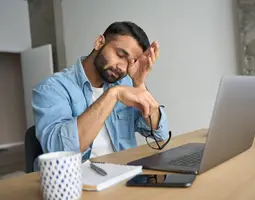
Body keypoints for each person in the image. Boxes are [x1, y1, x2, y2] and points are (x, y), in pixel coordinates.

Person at [32, 21, 169, 170]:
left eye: (131, 62)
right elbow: (59, 151)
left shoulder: (124, 85)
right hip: (74, 183)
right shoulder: (52, 88)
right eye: (120, 55)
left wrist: (139, 84)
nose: (122, 67)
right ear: (99, 42)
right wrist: (112, 95)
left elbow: (159, 135)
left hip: (123, 175)